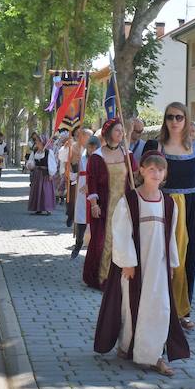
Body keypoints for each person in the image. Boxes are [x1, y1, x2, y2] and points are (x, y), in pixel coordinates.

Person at [94, 151, 189, 376]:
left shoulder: (168, 203)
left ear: (165, 174)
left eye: (160, 170)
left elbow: (170, 236)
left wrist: (172, 264)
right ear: (142, 171)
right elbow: (121, 231)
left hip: (158, 265)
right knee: (131, 305)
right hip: (136, 265)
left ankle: (153, 355)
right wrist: (127, 262)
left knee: (159, 307)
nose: (156, 173)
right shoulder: (130, 200)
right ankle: (128, 346)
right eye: (152, 169)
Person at [141, 102, 195, 330]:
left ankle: (182, 311)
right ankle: (159, 308)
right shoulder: (155, 147)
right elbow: (142, 181)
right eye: (170, 117)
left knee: (187, 260)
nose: (174, 121)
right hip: (161, 209)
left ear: (186, 119)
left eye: (179, 117)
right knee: (160, 259)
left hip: (191, 210)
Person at [83, 118, 138, 290]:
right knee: (104, 242)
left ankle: (122, 278)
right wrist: (94, 204)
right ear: (108, 133)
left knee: (123, 239)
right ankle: (103, 278)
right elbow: (91, 182)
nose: (121, 134)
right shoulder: (97, 157)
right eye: (117, 131)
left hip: (125, 206)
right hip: (105, 206)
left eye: (122, 131)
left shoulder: (127, 155)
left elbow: (135, 178)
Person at [68, 130, 96, 256]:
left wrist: (91, 185)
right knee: (80, 217)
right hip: (81, 191)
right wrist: (73, 163)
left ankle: (93, 244)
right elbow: (73, 175)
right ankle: (78, 243)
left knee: (94, 217)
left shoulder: (99, 157)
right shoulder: (80, 155)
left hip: (94, 191)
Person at [27, 134, 57, 215]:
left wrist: (51, 174)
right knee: (37, 190)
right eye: (36, 140)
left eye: (38, 140)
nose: (36, 142)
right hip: (37, 174)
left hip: (45, 174)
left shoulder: (48, 152)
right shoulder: (35, 151)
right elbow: (31, 161)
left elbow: (52, 163)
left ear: (43, 142)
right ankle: (38, 208)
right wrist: (30, 165)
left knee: (46, 190)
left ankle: (48, 208)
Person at [55, 129, 71, 205]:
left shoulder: (70, 145)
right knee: (59, 182)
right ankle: (58, 197)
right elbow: (56, 154)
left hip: (66, 166)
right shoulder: (57, 143)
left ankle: (63, 198)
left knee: (64, 182)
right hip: (58, 165)